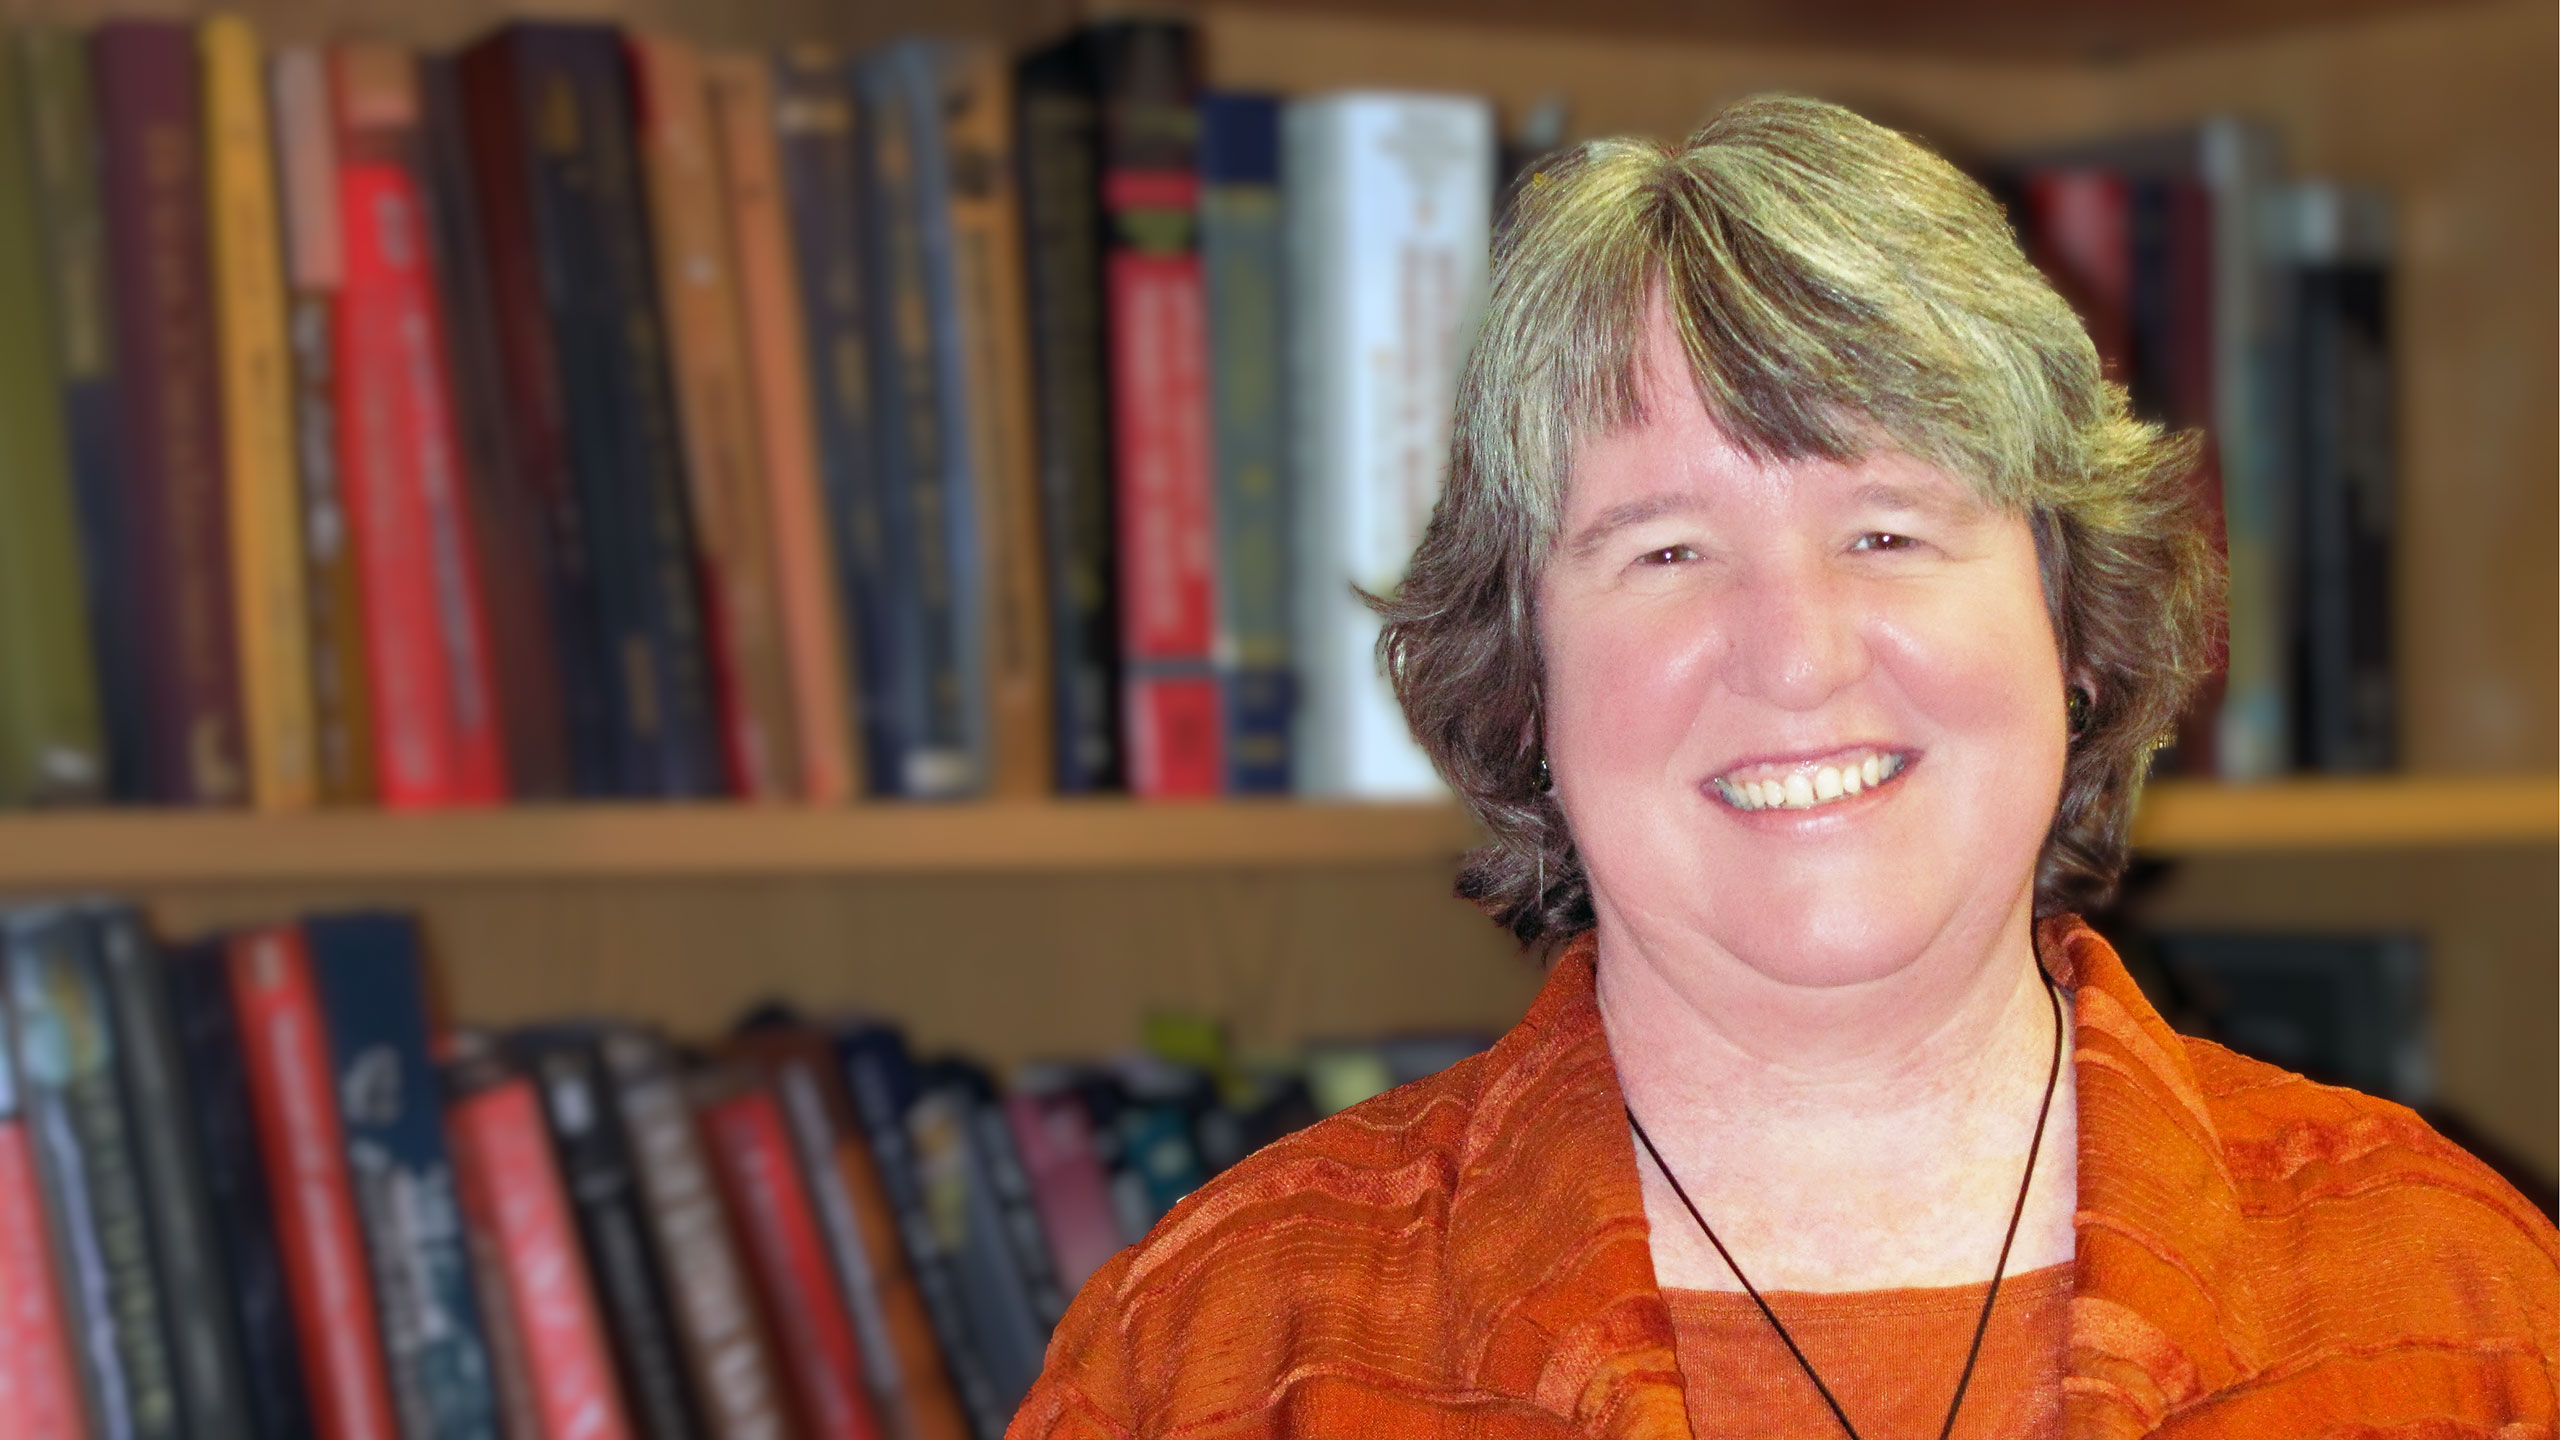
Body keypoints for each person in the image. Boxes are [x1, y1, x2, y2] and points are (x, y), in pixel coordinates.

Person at [1008, 96, 2558, 1439]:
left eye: (1886, 531)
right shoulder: (1227, 1351)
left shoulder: (2451, 1313)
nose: (1795, 652)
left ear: (2073, 617)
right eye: (1666, 549)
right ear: (1525, 675)